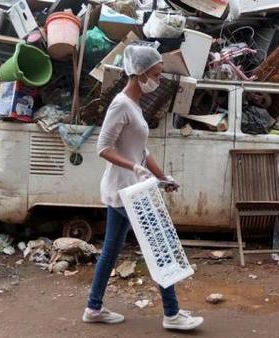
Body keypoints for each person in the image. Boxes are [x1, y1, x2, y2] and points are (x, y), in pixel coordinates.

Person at [82, 45, 204, 331]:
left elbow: (142, 149)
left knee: (111, 250)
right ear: (139, 74)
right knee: (159, 247)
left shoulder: (134, 106)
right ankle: (172, 313)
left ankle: (93, 307)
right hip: (128, 192)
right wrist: (133, 167)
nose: (158, 81)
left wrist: (162, 176)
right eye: (156, 75)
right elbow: (103, 148)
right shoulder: (120, 104)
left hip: (129, 190)